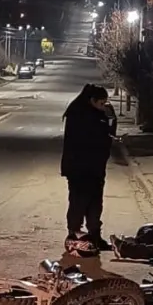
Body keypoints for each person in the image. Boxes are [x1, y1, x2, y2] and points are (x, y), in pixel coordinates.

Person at [60, 83, 114, 252]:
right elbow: (93, 138)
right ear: (92, 100)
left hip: (96, 168)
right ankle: (74, 236)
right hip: (80, 169)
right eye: (101, 103)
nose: (103, 106)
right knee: (78, 202)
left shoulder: (97, 115)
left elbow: (108, 135)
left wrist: (109, 119)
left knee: (95, 203)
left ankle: (95, 236)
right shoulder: (79, 114)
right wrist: (104, 120)